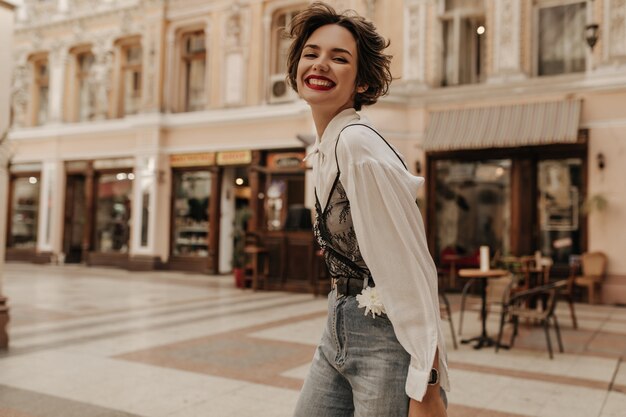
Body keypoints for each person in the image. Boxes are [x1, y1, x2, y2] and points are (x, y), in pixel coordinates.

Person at [287, 3, 449, 417]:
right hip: (338, 324)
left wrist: (427, 384)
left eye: (339, 58)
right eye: (311, 53)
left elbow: (413, 270)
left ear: (360, 81)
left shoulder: (359, 146)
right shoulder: (326, 148)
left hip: (385, 340)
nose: (320, 64)